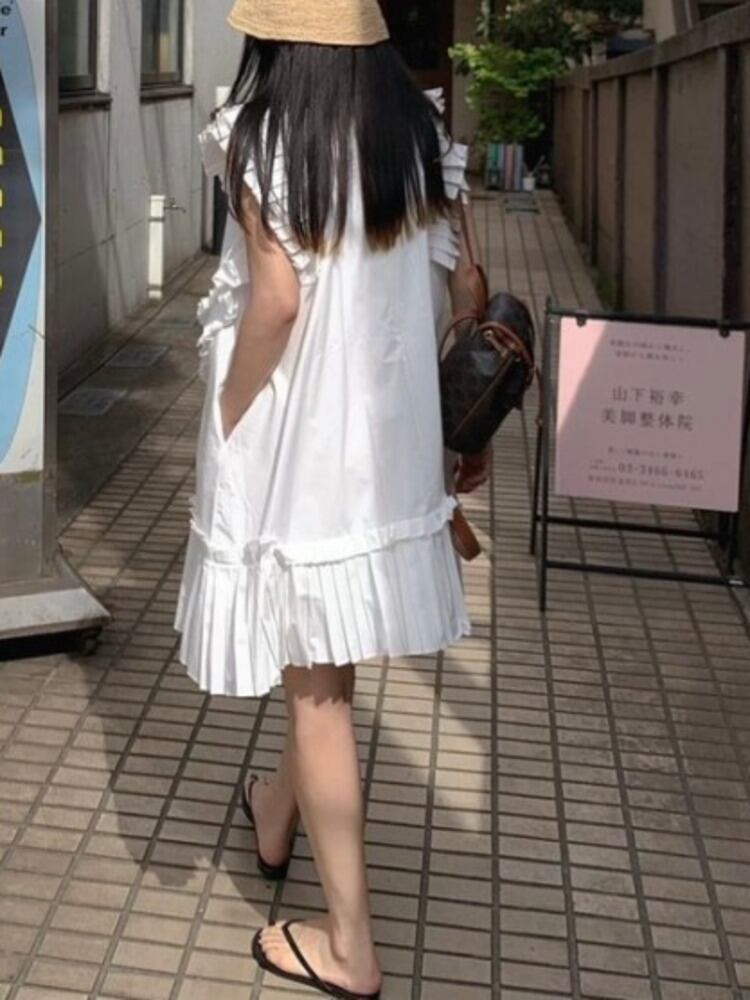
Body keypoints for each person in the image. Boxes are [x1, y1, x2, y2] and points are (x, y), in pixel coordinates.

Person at [174, 1, 489, 996]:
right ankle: (277, 808)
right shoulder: (420, 130)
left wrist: (228, 409)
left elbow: (275, 303)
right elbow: (468, 291)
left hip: (300, 444)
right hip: (389, 446)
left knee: (318, 694)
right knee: (322, 654)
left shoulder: (260, 136)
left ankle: (350, 945)